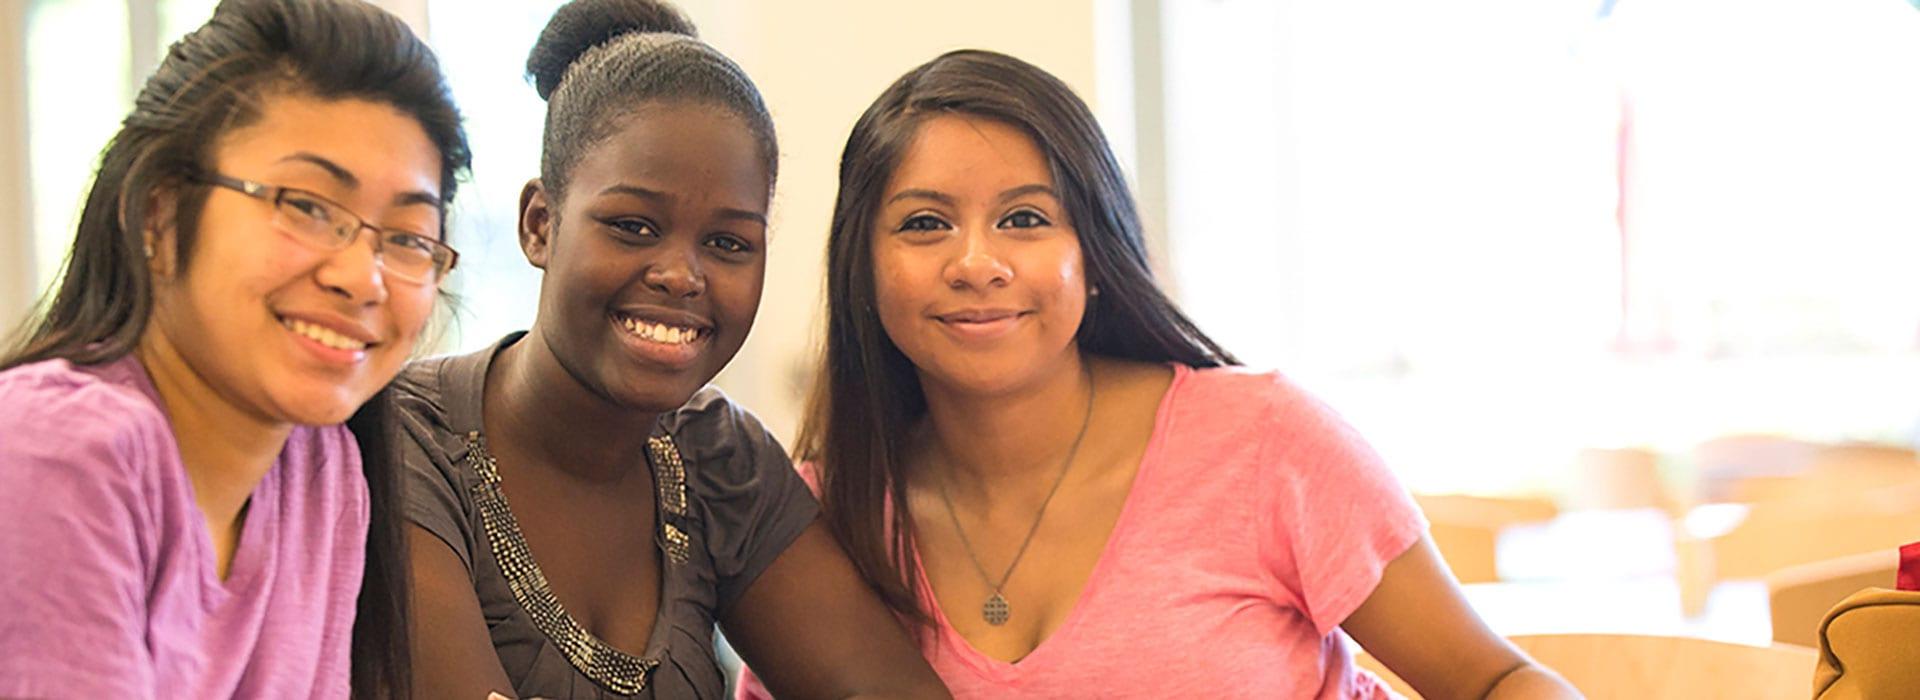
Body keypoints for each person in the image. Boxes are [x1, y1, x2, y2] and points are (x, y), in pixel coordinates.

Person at [745, 49, 1580, 699]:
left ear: (1095, 254)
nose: (977, 262)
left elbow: (1497, 681)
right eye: (925, 224)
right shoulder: (817, 521)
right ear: (863, 266)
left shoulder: (1265, 442)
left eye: (1025, 219)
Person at [386, 1, 948, 697]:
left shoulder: (717, 458)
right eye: (632, 226)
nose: (682, 275)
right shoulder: (403, 444)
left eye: (728, 243)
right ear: (540, 224)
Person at [0, 0, 470, 697]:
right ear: (159, 212)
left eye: (405, 237)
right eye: (308, 206)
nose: (361, 277)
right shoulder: (59, 452)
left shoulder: (319, 469)